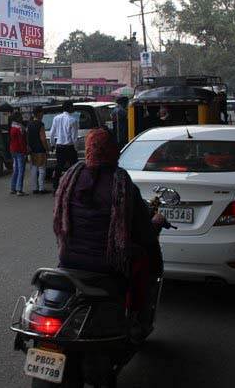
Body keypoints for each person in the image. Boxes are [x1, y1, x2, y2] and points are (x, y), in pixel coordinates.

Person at [53, 128, 164, 340]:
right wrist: (157, 222)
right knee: (143, 261)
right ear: (113, 151)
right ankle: (137, 319)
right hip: (109, 263)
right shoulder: (121, 182)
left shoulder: (71, 177)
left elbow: (60, 221)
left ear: (88, 150)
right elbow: (144, 231)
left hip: (67, 258)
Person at [49, 101, 79, 191]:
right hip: (69, 147)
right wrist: (76, 148)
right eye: (72, 106)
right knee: (74, 168)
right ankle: (73, 187)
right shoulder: (73, 120)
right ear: (69, 108)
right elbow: (74, 137)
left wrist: (53, 144)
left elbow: (52, 133)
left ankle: (55, 188)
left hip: (59, 146)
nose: (73, 108)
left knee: (58, 167)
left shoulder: (56, 118)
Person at [26, 107, 50, 194]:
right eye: (42, 113)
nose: (43, 115)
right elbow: (43, 138)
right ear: (39, 113)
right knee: (42, 169)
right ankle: (41, 188)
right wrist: (47, 149)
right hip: (40, 149)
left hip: (32, 150)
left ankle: (34, 188)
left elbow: (27, 137)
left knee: (33, 169)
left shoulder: (29, 124)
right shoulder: (40, 124)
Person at [9, 111, 28, 196]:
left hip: (13, 150)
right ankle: (19, 189)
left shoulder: (12, 127)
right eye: (20, 116)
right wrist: (24, 152)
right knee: (21, 170)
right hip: (20, 150)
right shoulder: (19, 128)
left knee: (16, 169)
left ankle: (13, 188)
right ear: (17, 118)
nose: (22, 118)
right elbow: (21, 141)